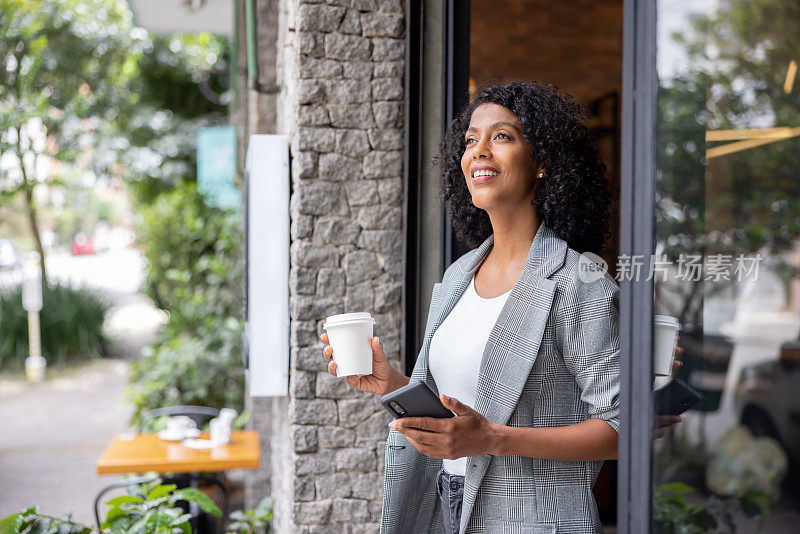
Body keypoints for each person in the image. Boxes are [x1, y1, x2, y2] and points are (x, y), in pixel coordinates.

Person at [321, 81, 680, 534]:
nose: (479, 151)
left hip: (533, 519)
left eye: (502, 136)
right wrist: (389, 382)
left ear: (542, 163)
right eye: (471, 140)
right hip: (447, 508)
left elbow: (625, 430)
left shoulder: (576, 282)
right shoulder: (458, 276)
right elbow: (453, 413)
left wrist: (493, 439)